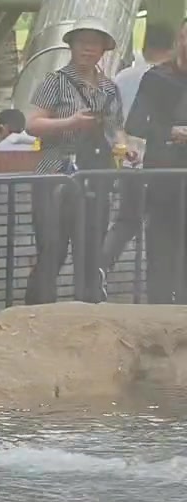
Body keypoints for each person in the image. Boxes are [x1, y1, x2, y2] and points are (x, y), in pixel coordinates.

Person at [23, 17, 127, 306]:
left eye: (95, 44)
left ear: (104, 49)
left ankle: (88, 315)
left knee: (90, 251)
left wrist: (125, 146)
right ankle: (38, 315)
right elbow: (32, 125)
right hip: (55, 174)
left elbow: (117, 128)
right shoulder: (54, 81)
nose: (88, 49)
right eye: (83, 42)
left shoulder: (110, 88)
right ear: (71, 45)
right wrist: (71, 122)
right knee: (51, 250)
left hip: (96, 176)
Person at [99, 23, 175, 291]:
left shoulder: (123, 77)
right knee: (165, 226)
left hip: (128, 160)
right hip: (161, 164)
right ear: (173, 46)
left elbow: (112, 120)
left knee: (127, 220)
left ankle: (100, 266)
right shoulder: (165, 77)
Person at [125, 19, 187, 304]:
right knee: (162, 245)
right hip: (164, 177)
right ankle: (159, 311)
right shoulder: (157, 77)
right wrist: (168, 132)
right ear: (179, 41)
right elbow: (135, 123)